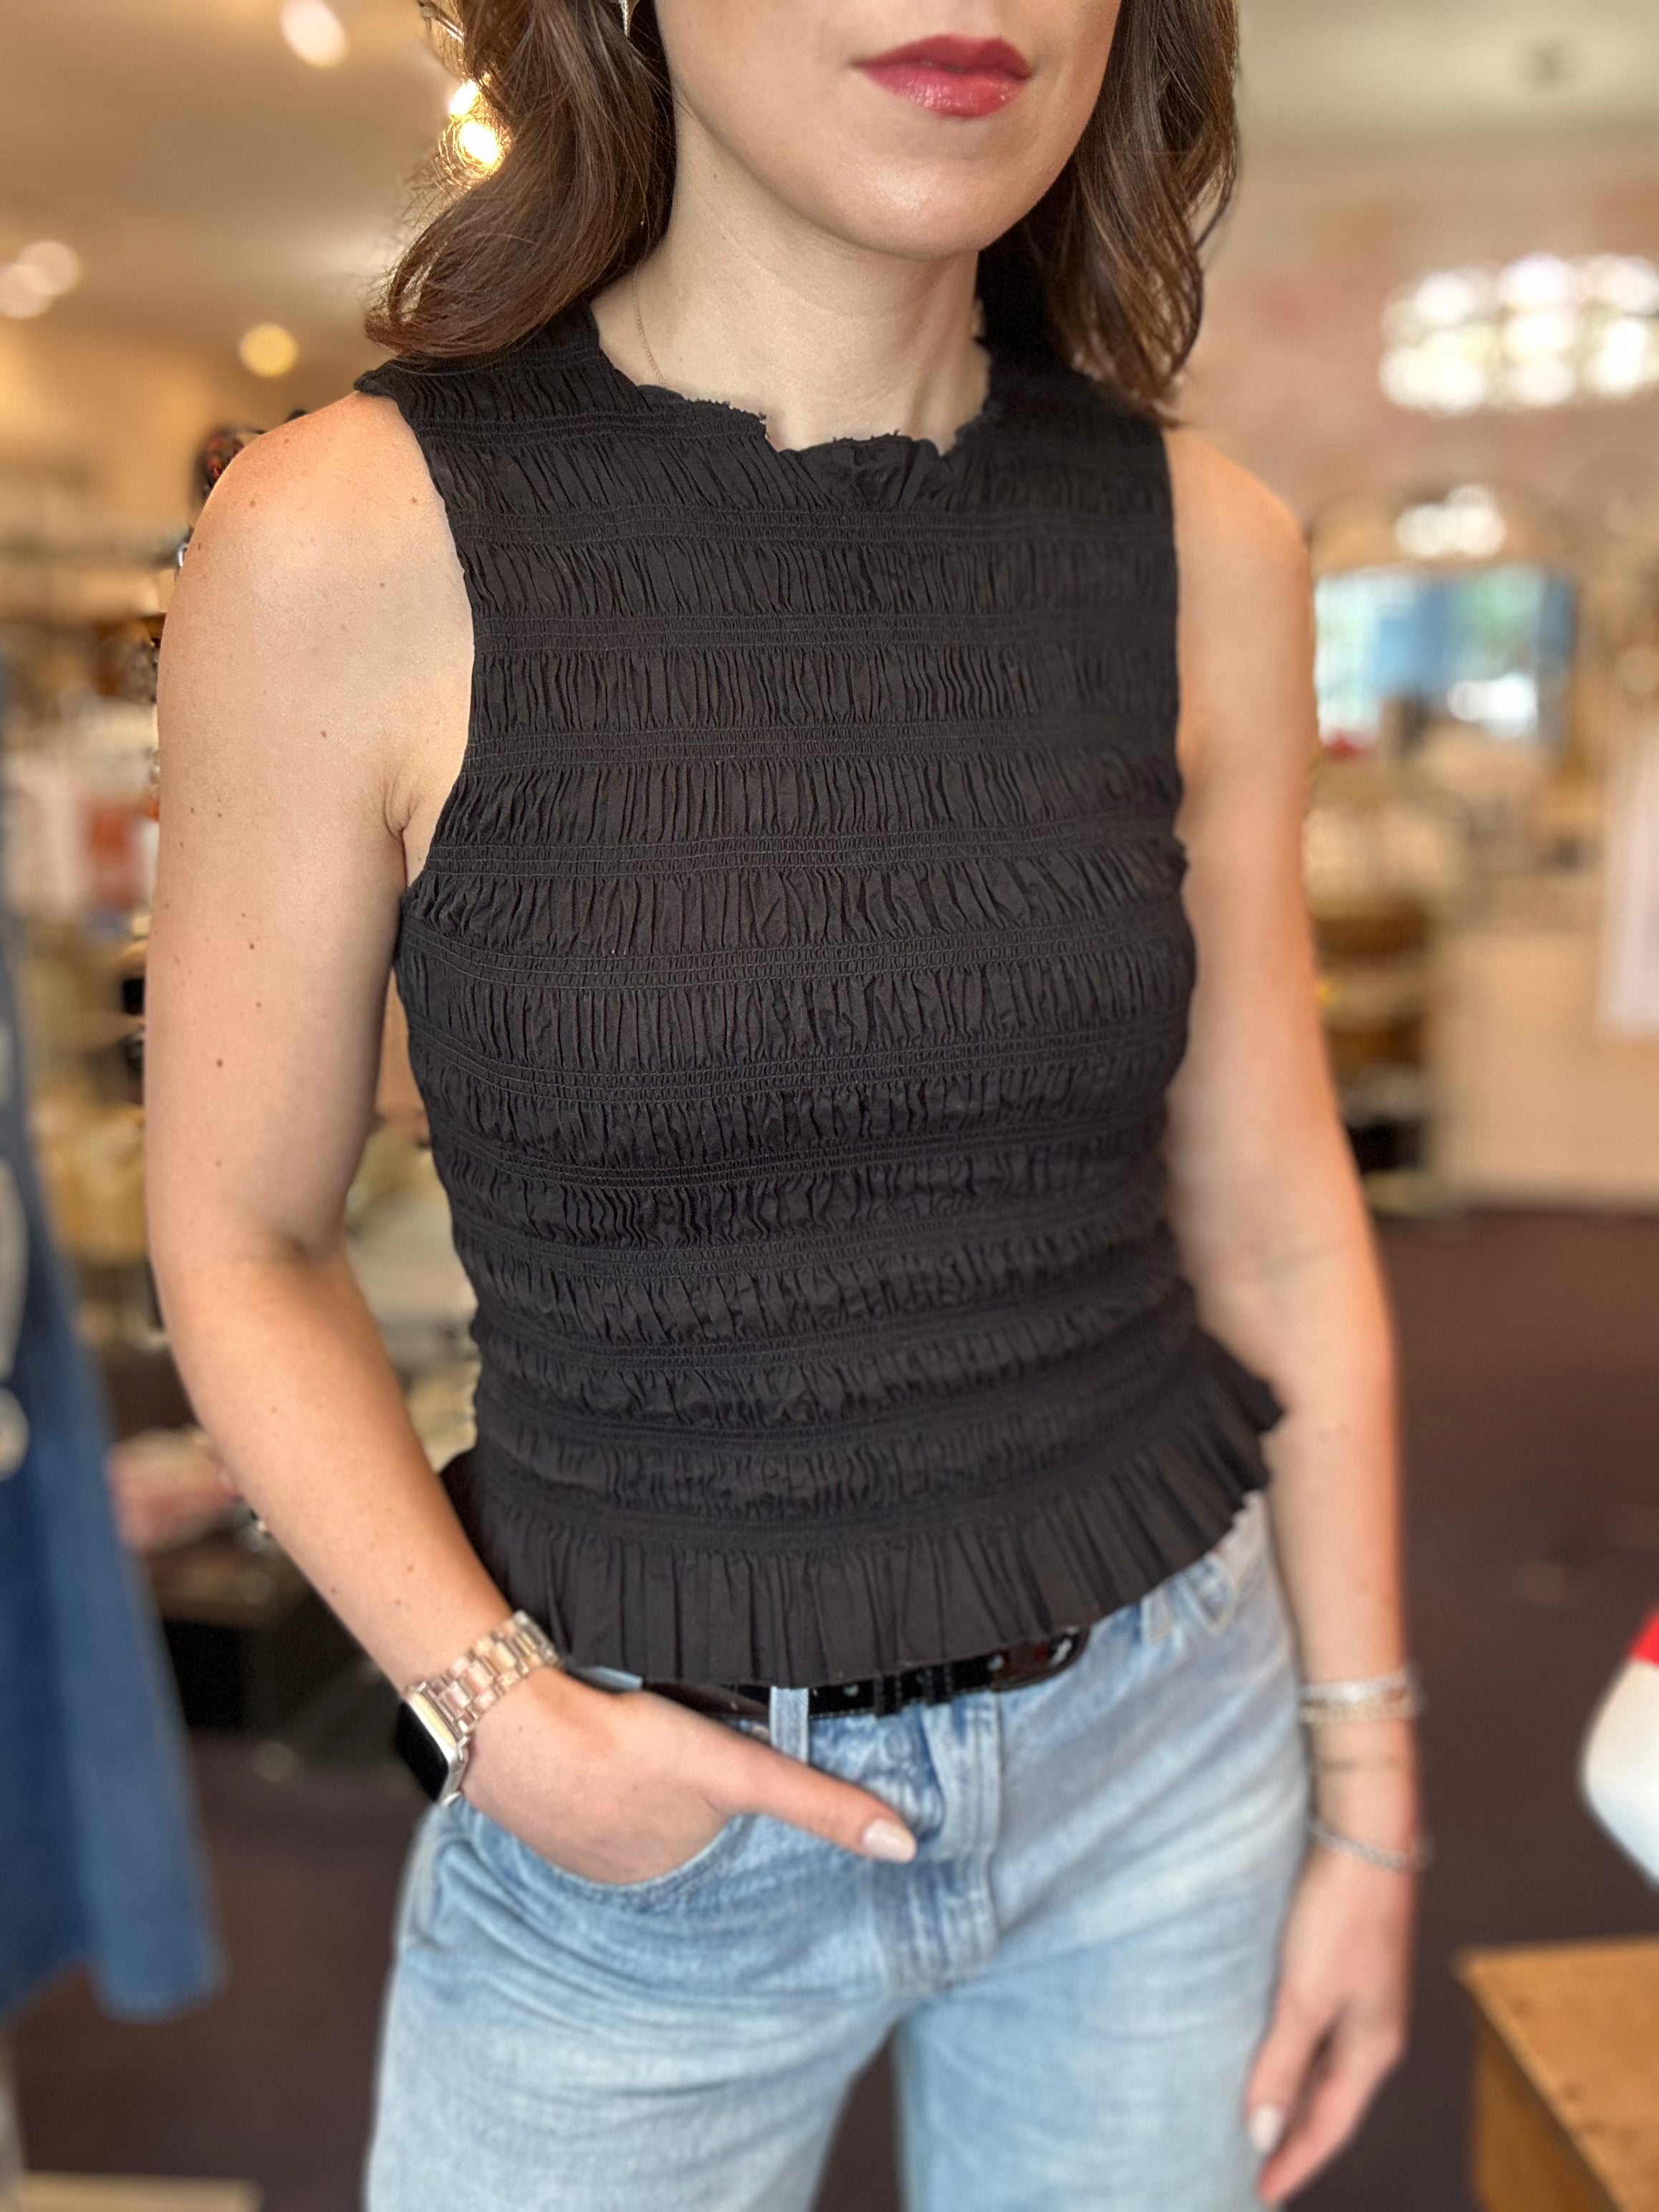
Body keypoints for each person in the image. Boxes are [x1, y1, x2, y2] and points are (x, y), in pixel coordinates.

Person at [145, 2, 1420, 2206]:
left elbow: (1275, 1214)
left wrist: (1369, 1797)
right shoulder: (347, 536)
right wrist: (497, 1716)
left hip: (1162, 1746)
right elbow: (240, 1240)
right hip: (633, 1808)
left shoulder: (1204, 543)